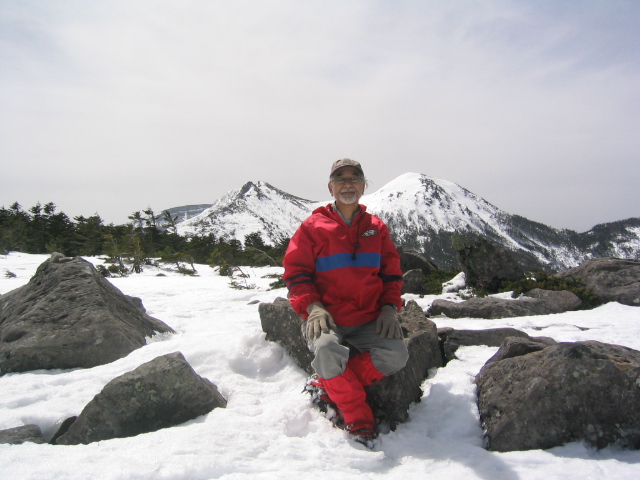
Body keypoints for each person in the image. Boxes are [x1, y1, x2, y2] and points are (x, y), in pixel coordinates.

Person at [283, 158, 408, 443]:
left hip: (368, 317)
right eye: (340, 179)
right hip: (327, 316)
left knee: (396, 355)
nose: (347, 184)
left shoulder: (376, 227)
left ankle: (327, 381)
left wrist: (389, 308)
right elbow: (296, 273)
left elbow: (391, 274)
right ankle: (358, 417)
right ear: (331, 188)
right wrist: (313, 308)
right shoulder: (313, 227)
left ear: (364, 186)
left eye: (354, 178)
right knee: (327, 350)